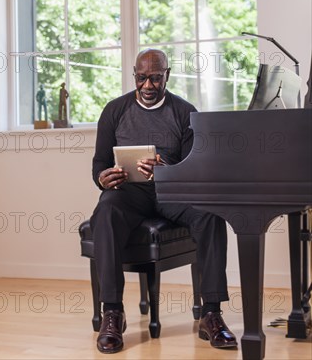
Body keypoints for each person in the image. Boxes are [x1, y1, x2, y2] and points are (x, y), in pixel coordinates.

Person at [90, 48, 237, 354]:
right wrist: (103, 178)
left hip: (172, 193)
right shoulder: (114, 110)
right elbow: (99, 164)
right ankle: (113, 313)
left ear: (167, 76)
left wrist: (167, 171)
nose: (147, 85)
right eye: (142, 78)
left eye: (155, 78)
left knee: (211, 213)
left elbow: (196, 169)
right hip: (129, 192)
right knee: (105, 208)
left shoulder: (184, 112)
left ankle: (211, 313)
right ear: (134, 75)